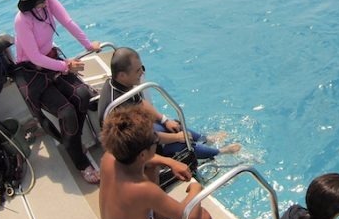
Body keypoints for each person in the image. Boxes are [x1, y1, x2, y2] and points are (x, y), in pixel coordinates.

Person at [99, 104, 215, 219]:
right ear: (143, 154)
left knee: (152, 167)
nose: (157, 140)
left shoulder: (109, 158)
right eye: (155, 139)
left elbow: (146, 160)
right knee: (203, 218)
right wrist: (196, 188)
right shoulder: (143, 190)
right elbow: (187, 215)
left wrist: (168, 161)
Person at [13, 0, 102, 184]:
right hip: (32, 71)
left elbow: (68, 22)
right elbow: (34, 57)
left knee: (81, 95)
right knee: (67, 111)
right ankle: (78, 159)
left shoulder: (48, 1)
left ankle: (70, 141)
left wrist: (88, 45)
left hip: (52, 61)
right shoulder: (21, 21)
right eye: (41, 0)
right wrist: (65, 66)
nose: (46, 1)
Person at [97, 47, 240, 159]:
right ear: (122, 75)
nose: (142, 73)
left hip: (141, 131)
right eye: (138, 70)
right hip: (132, 148)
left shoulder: (121, 84)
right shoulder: (119, 106)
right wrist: (176, 138)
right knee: (183, 145)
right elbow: (148, 137)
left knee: (175, 125)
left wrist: (165, 120)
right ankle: (220, 152)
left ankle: (206, 139)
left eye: (142, 68)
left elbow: (141, 103)